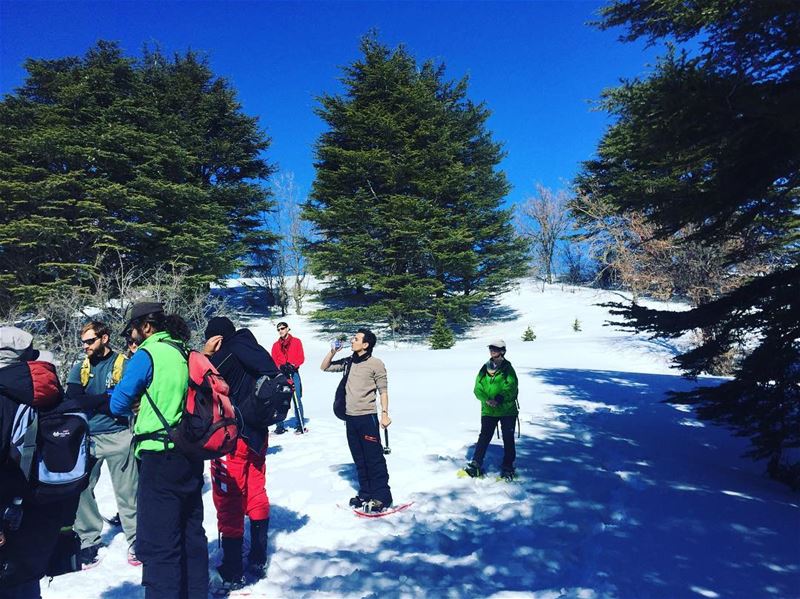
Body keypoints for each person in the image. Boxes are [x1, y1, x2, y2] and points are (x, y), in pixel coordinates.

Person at [109, 302, 208, 599]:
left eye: (133, 329)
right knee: (191, 532)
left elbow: (117, 404)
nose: (133, 335)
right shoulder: (185, 352)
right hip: (190, 451)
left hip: (158, 452)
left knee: (159, 540)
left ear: (147, 327)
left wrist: (137, 398)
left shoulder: (148, 353)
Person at [0, 327, 76, 599]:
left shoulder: (4, 396)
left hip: (7, 519)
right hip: (42, 514)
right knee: (26, 585)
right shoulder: (51, 391)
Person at [203, 317, 278, 590]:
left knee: (228, 498)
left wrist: (205, 354)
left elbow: (197, 379)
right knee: (257, 491)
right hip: (258, 435)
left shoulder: (223, 357)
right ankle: (258, 557)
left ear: (217, 338)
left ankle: (232, 570)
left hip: (231, 438)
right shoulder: (255, 351)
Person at [66, 321, 138, 568]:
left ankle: (136, 538)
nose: (85, 346)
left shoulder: (122, 364)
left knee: (128, 491)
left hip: (119, 434)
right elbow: (74, 400)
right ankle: (89, 539)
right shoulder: (81, 367)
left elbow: (125, 399)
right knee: (81, 488)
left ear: (104, 338)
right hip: (89, 437)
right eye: (83, 341)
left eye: (90, 341)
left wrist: (95, 401)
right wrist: (104, 399)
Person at [320, 328, 392, 512]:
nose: (352, 341)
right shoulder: (349, 362)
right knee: (359, 458)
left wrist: (385, 413)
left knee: (374, 458)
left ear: (366, 345)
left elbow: (383, 390)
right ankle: (366, 493)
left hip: (367, 417)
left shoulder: (376, 364)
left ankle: (382, 496)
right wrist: (333, 351)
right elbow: (325, 367)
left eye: (356, 339)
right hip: (350, 418)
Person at [463, 340, 519, 481]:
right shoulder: (485, 368)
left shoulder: (508, 368)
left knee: (508, 438)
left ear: (502, 351)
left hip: (507, 410)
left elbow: (512, 388)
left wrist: (499, 399)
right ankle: (476, 464)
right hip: (488, 410)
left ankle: (508, 466)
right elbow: (477, 388)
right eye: (491, 348)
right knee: (484, 436)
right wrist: (486, 399)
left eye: (495, 348)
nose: (492, 350)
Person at [271, 322, 305, 434]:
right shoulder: (276, 345)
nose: (281, 331)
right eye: (278, 329)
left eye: (283, 328)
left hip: (293, 372)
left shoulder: (296, 342)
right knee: (280, 399)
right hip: (282, 375)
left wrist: (293, 365)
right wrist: (280, 366)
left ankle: (300, 424)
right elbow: (274, 360)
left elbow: (301, 357)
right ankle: (279, 426)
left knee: (297, 398)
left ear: (287, 329)